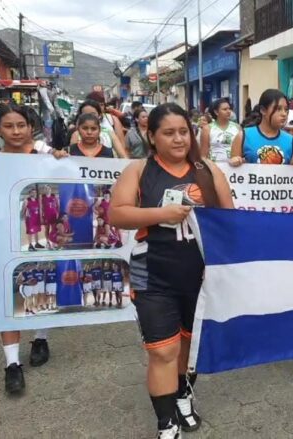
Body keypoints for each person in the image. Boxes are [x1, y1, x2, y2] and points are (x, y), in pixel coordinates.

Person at [110, 103, 235, 437]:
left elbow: (230, 218)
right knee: (163, 349)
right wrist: (159, 214)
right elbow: (117, 214)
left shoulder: (207, 170)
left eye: (184, 131)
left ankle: (183, 396)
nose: (179, 139)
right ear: (151, 136)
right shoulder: (138, 170)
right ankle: (166, 423)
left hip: (200, 276)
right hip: (150, 272)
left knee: (189, 346)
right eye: (169, 132)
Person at [0, 104, 68, 395]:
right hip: (6, 240)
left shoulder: (46, 156)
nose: (16, 131)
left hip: (43, 237)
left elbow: (68, 180)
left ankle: (41, 338)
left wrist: (63, 159)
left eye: (21, 125)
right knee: (10, 299)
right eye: (8, 126)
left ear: (30, 126)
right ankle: (12, 364)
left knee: (46, 288)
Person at [230, 89, 293, 170]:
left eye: (286, 109)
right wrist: (233, 162)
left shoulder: (290, 140)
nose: (284, 114)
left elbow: (291, 173)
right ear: (263, 110)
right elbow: (232, 174)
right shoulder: (243, 136)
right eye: (278, 109)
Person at [200, 98, 240, 162]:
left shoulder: (237, 127)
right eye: (225, 109)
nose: (228, 111)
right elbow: (203, 155)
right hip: (214, 166)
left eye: (229, 109)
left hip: (234, 168)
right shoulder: (207, 129)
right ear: (216, 112)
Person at [21, 187, 44, 252]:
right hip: (30, 219)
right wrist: (22, 216)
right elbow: (23, 210)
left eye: (35, 192)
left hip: (36, 218)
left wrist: (41, 217)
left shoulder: (37, 200)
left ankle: (37, 243)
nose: (34, 193)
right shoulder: (26, 200)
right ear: (29, 193)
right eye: (32, 192)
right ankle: (30, 245)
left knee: (36, 231)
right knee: (30, 232)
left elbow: (40, 209)